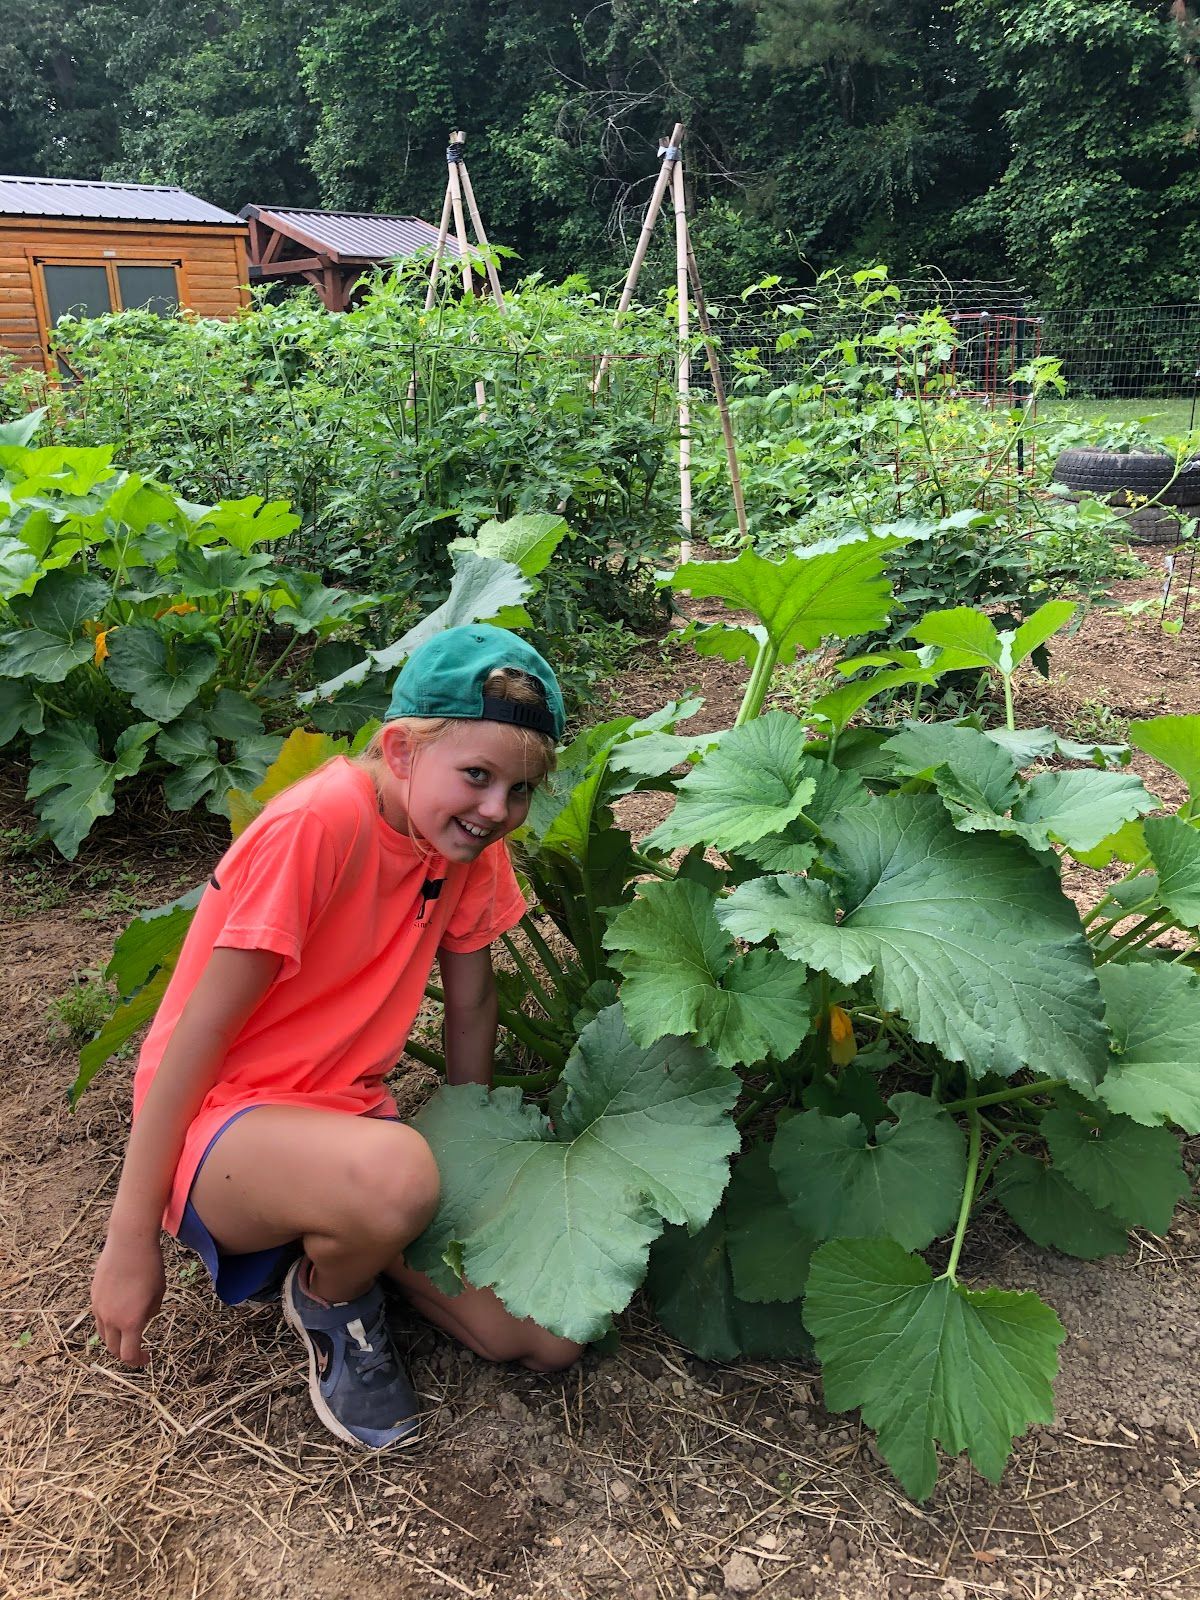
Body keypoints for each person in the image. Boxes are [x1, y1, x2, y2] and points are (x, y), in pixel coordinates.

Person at [90, 624, 583, 1451]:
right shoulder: (317, 825)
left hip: (346, 1125)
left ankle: (349, 1225)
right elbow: (196, 1038)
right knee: (395, 1179)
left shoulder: (467, 843)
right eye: (476, 775)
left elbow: (471, 1008)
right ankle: (327, 1293)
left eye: (521, 789)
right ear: (399, 750)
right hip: (222, 1126)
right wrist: (128, 1237)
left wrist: (472, 1164)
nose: (498, 808)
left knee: (541, 1337)